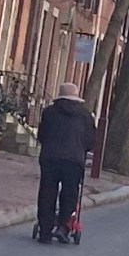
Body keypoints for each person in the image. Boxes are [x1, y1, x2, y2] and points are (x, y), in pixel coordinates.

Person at [36, 83, 96, 244]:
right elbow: (90, 142)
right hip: (74, 160)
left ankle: (45, 230)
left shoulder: (49, 113)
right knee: (70, 193)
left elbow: (42, 136)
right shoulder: (85, 116)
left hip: (50, 158)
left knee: (47, 192)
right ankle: (64, 227)